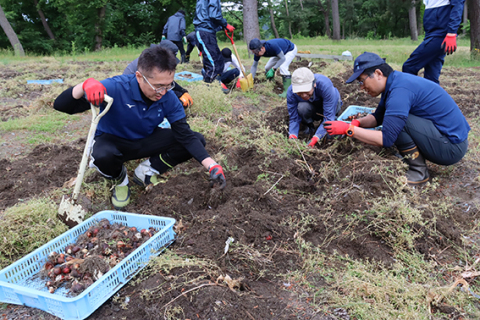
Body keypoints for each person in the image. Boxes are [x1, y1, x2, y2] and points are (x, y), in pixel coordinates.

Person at [53, 46, 226, 212]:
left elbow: (185, 136)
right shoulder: (116, 87)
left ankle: (145, 172)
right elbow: (61, 106)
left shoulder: (169, 97)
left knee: (197, 139)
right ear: (139, 76)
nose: (163, 92)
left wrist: (212, 166)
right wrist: (83, 86)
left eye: (169, 85)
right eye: (158, 86)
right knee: (102, 156)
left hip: (145, 139)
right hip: (113, 141)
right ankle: (120, 181)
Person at [323, 52, 470, 186]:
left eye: (362, 81)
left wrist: (349, 130)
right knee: (392, 119)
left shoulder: (400, 91)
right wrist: (357, 123)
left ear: (378, 73)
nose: (361, 87)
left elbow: (386, 139)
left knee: (399, 123)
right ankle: (413, 159)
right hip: (443, 137)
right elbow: (377, 117)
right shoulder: (395, 83)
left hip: (451, 147)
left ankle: (418, 173)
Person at [402, 0, 465, 84]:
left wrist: (451, 33)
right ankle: (431, 96)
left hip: (440, 35)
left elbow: (458, 5)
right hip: (431, 33)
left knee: (409, 67)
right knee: (431, 79)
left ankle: (412, 95)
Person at [123, 41, 193, 108]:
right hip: (132, 93)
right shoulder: (151, 65)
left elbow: (164, 82)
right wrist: (179, 95)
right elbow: (156, 86)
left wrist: (183, 91)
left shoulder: (155, 61)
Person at [287, 68, 342, 148]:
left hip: (331, 105)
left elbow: (328, 117)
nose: (304, 95)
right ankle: (309, 126)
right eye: (300, 92)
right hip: (312, 106)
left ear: (314, 84)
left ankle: (333, 120)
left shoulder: (325, 85)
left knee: (329, 127)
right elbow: (294, 118)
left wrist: (316, 138)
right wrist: (292, 136)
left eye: (306, 91)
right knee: (302, 107)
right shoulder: (291, 92)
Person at [193, 0, 235, 83]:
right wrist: (225, 24)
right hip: (205, 33)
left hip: (208, 31)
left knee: (218, 60)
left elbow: (207, 18)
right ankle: (210, 86)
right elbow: (214, 15)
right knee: (213, 62)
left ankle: (214, 81)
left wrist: (222, 27)